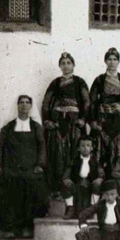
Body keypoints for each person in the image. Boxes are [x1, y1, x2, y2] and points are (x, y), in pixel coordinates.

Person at [0, 95, 49, 239]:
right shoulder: (8, 127)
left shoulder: (36, 127)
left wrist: (40, 165)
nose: (24, 105)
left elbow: (42, 147)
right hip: (11, 168)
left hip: (30, 168)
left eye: (27, 103)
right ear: (17, 106)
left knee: (33, 192)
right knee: (7, 194)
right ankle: (9, 228)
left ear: (30, 106)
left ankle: (26, 227)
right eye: (21, 102)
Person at [40, 52, 91, 198]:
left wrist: (83, 119)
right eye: (63, 63)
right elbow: (46, 103)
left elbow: (87, 102)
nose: (66, 66)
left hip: (74, 126)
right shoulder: (55, 83)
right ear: (59, 66)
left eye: (69, 62)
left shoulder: (80, 82)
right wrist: (47, 121)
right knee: (56, 156)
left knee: (74, 155)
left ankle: (74, 190)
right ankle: (56, 189)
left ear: (73, 65)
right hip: (56, 126)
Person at [89, 48, 120, 172]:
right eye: (109, 59)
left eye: (115, 59)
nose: (112, 62)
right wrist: (93, 119)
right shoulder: (99, 79)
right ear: (105, 61)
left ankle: (118, 172)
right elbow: (92, 101)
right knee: (102, 145)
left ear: (118, 62)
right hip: (103, 119)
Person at [62, 135, 105, 219]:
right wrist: (66, 178)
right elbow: (67, 171)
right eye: (83, 146)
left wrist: (100, 178)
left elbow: (101, 172)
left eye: (88, 145)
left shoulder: (95, 161)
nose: (85, 148)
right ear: (78, 148)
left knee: (97, 185)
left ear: (92, 148)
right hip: (77, 182)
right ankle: (70, 208)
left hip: (90, 183)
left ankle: (92, 208)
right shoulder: (74, 160)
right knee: (66, 185)